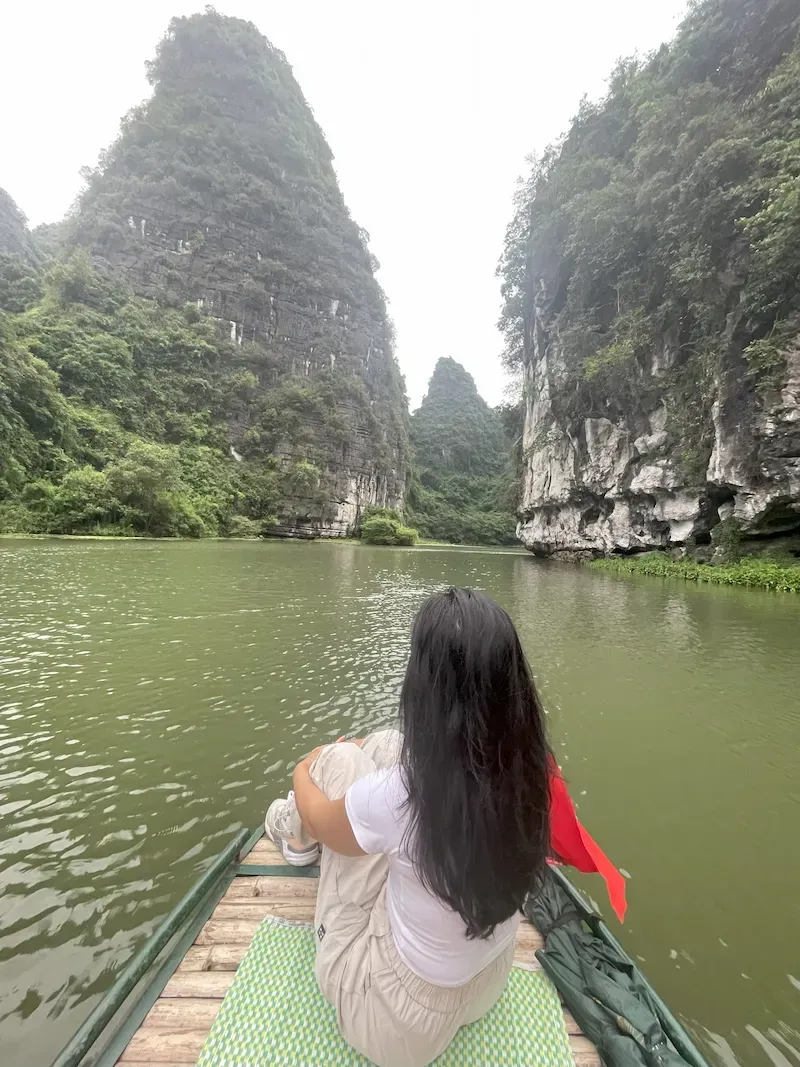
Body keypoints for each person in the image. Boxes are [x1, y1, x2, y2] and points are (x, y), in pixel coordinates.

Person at [264, 587, 552, 1067]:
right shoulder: (531, 772)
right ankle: (319, 809)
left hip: (392, 1021)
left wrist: (305, 765)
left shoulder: (405, 794)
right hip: (484, 985)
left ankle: (289, 833)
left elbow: (323, 816)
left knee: (339, 761)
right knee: (388, 743)